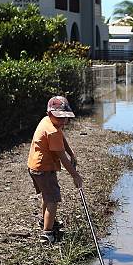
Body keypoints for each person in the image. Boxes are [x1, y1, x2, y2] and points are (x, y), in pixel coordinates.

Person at [27, 96, 83, 243]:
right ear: (49, 113)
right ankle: (47, 233)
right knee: (53, 199)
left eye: (65, 117)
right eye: (59, 117)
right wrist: (75, 176)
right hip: (44, 169)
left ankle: (45, 221)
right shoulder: (51, 130)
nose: (63, 121)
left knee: (47, 196)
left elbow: (61, 137)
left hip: (35, 166)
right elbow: (62, 158)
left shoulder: (49, 122)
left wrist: (71, 152)